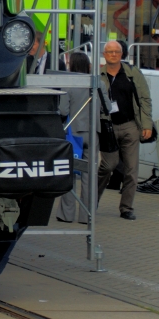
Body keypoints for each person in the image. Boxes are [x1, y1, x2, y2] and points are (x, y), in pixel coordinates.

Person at [96, 40, 153, 220]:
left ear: (122, 55)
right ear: (104, 55)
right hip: (107, 126)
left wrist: (146, 125)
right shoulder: (98, 74)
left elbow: (145, 99)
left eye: (117, 52)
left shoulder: (133, 73)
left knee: (131, 169)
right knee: (108, 166)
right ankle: (91, 202)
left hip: (130, 126)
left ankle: (126, 207)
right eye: (110, 52)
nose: (113, 54)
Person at [56, 52, 100, 223]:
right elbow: (108, 107)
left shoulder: (69, 84)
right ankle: (87, 215)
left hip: (73, 134)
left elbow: (63, 111)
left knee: (70, 173)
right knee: (90, 175)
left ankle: (66, 214)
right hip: (93, 132)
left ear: (71, 65)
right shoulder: (98, 83)